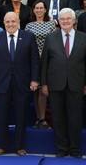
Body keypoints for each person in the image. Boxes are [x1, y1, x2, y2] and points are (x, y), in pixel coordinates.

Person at [0, 12, 39, 156]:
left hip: (22, 83)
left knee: (21, 115)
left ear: (18, 22)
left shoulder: (29, 37)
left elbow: (34, 60)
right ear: (4, 23)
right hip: (1, 83)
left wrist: (34, 79)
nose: (10, 24)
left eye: (13, 21)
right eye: (7, 22)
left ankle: (19, 146)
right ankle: (2, 145)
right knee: (2, 115)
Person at [41, 8, 86, 159]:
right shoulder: (51, 38)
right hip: (55, 84)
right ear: (59, 22)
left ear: (74, 21)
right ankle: (62, 148)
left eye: (68, 19)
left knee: (75, 118)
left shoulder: (83, 38)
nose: (65, 21)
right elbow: (45, 62)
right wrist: (44, 84)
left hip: (76, 83)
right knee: (58, 118)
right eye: (62, 19)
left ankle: (74, 149)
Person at [25, 0, 56, 129]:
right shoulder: (29, 25)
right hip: (33, 60)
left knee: (44, 88)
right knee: (36, 89)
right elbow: (25, 43)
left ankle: (43, 118)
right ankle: (38, 118)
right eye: (36, 8)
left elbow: (55, 42)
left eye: (41, 8)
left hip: (47, 59)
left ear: (45, 10)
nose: (38, 10)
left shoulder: (51, 24)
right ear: (33, 10)